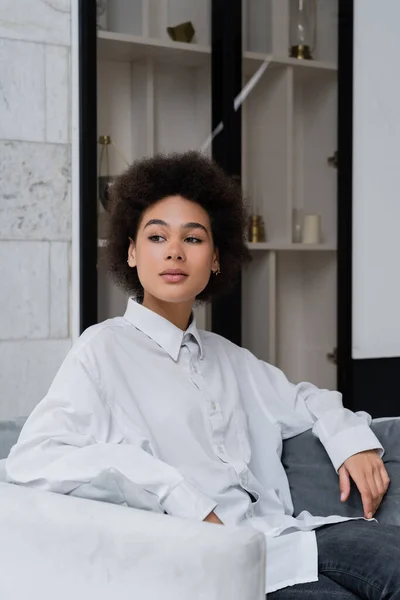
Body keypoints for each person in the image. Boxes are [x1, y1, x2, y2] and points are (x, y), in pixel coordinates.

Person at [6, 152, 399, 598]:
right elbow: (30, 461)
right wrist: (175, 491)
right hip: (213, 564)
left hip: (290, 536)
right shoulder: (100, 352)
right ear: (131, 252)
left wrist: (355, 443)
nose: (174, 251)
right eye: (157, 237)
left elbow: (308, 400)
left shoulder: (228, 357)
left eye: (193, 239)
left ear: (215, 258)